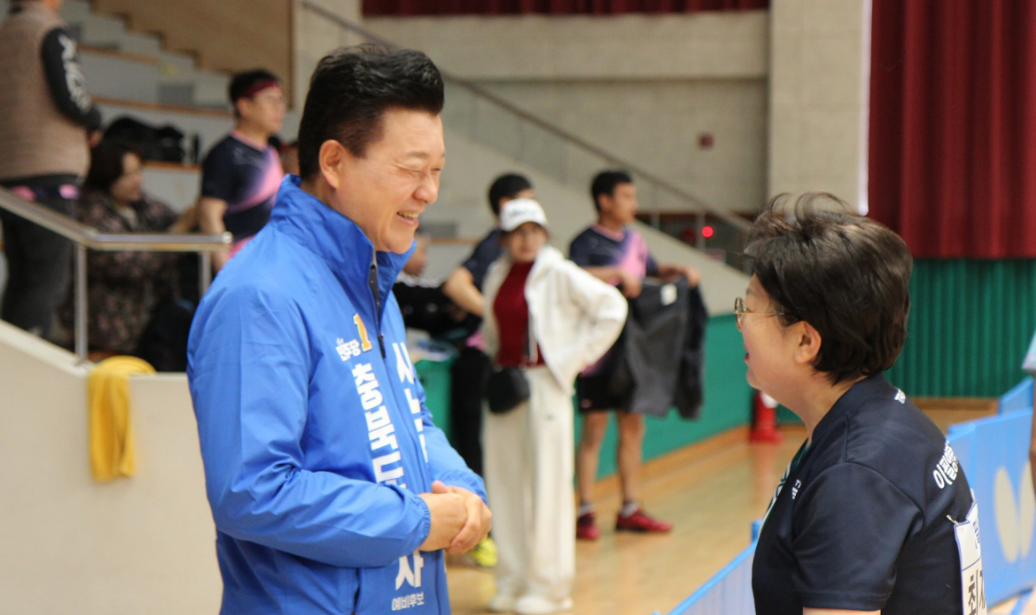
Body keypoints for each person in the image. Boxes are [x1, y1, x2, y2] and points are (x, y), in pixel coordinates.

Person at [187, 44, 491, 614]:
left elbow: (411, 420)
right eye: (411, 169)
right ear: (333, 162)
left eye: (437, 172)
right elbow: (253, 491)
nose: (428, 192)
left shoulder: (372, 281)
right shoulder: (260, 296)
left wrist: (463, 489)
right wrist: (419, 519)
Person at [744, 193, 981, 614]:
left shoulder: (855, 474)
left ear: (804, 341)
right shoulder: (880, 419)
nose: (741, 321)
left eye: (749, 307)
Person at [481, 198, 626, 615]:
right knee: (505, 483)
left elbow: (612, 308)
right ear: (505, 237)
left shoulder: (559, 272)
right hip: (506, 385)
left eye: (534, 230)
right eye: (518, 231)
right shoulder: (497, 273)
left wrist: (571, 360)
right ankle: (512, 578)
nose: (527, 239)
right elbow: (493, 330)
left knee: (548, 486)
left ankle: (549, 588)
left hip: (546, 383)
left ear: (543, 233)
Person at [569, 169, 700, 540]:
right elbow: (571, 278)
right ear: (604, 200)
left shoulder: (636, 241)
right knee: (594, 429)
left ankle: (629, 508)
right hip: (597, 354)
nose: (634, 204)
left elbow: (653, 271)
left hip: (634, 355)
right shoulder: (585, 243)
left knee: (632, 426)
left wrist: (681, 270)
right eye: (627, 196)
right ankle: (585, 511)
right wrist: (612, 273)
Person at [0, 0, 102, 339]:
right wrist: (94, 120)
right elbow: (71, 95)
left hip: (9, 172)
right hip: (49, 173)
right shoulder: (50, 30)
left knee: (20, 279)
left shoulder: (7, 30)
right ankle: (26, 372)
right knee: (47, 282)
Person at [62, 139, 195, 362]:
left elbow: (174, 218)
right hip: (104, 331)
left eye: (139, 172)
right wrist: (177, 232)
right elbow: (130, 265)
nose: (138, 180)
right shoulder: (90, 211)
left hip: (145, 322)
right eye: (129, 175)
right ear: (108, 177)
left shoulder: (141, 203)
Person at [441, 172, 535, 477]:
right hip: (478, 360)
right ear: (506, 205)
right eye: (527, 202)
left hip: (498, 361)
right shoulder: (495, 244)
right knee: (477, 445)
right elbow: (456, 284)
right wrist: (496, 317)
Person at [197, 68, 285, 270]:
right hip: (241, 265)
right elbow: (209, 215)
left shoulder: (271, 153)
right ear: (244, 106)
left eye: (281, 101)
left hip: (271, 263)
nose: (279, 108)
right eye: (271, 100)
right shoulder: (225, 153)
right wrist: (226, 272)